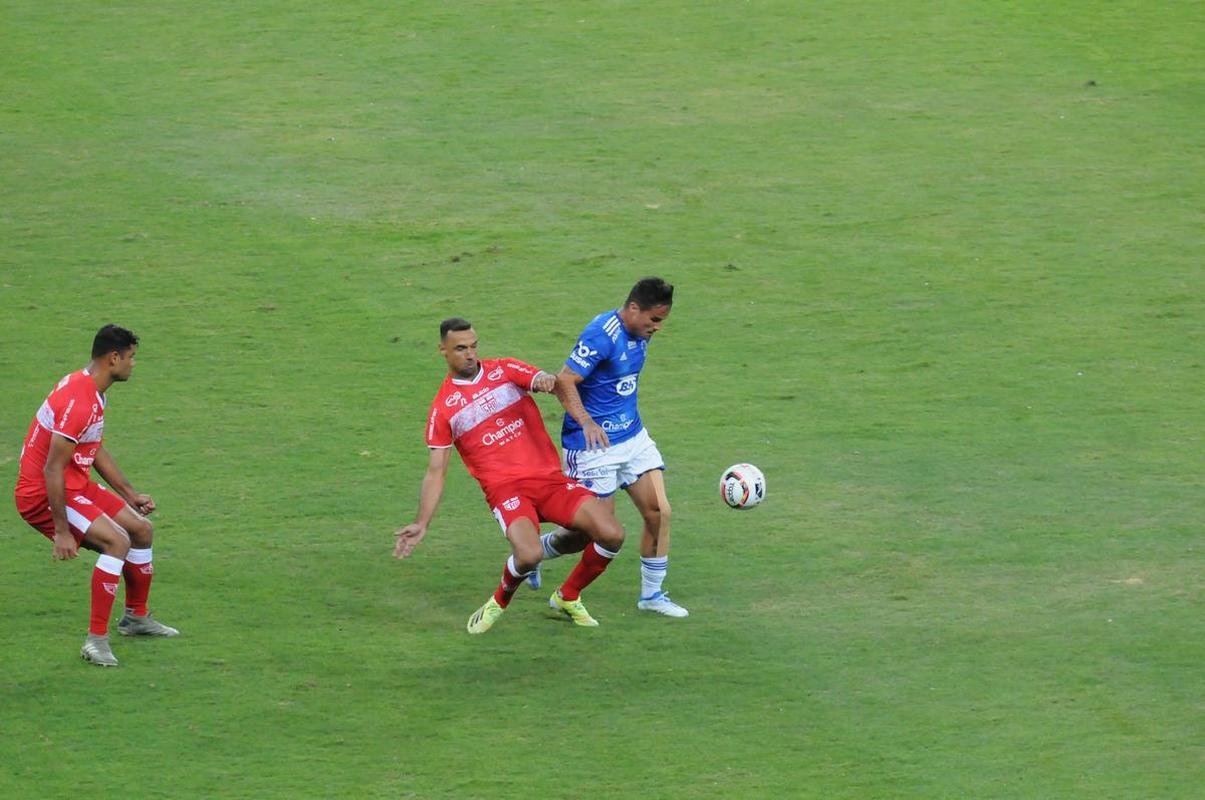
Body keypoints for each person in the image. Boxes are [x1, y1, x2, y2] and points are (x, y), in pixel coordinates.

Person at [392, 318, 626, 633]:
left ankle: (567, 596)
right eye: (460, 348)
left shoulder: (505, 371)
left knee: (610, 533)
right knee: (529, 555)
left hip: (550, 481)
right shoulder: (443, 409)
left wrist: (549, 383)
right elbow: (436, 472)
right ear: (443, 351)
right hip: (507, 492)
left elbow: (552, 380)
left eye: (474, 346)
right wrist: (422, 523)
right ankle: (498, 602)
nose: (470, 354)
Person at [14, 324, 179, 667]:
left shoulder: (93, 391)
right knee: (117, 542)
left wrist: (129, 493)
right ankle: (96, 641)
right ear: (113, 358)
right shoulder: (79, 401)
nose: (133, 364)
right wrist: (61, 531)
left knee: (141, 530)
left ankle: (136, 618)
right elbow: (51, 470)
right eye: (131, 358)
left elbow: (93, 447)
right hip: (43, 493)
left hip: (73, 482)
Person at [530, 277, 688, 617]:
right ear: (633, 309)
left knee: (659, 512)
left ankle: (650, 596)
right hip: (593, 447)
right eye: (654, 320)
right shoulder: (602, 333)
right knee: (587, 535)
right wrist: (587, 421)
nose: (657, 328)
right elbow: (564, 380)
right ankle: (533, 554)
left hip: (632, 438)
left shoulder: (639, 332)